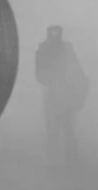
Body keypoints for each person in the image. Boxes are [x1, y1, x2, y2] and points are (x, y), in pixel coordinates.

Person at [34, 25, 88, 168]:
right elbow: (39, 74)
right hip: (53, 93)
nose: (54, 34)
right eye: (52, 31)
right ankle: (53, 163)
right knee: (53, 130)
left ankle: (71, 163)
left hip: (66, 93)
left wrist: (80, 85)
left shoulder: (67, 48)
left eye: (56, 31)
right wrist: (52, 80)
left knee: (68, 128)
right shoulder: (43, 49)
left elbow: (77, 67)